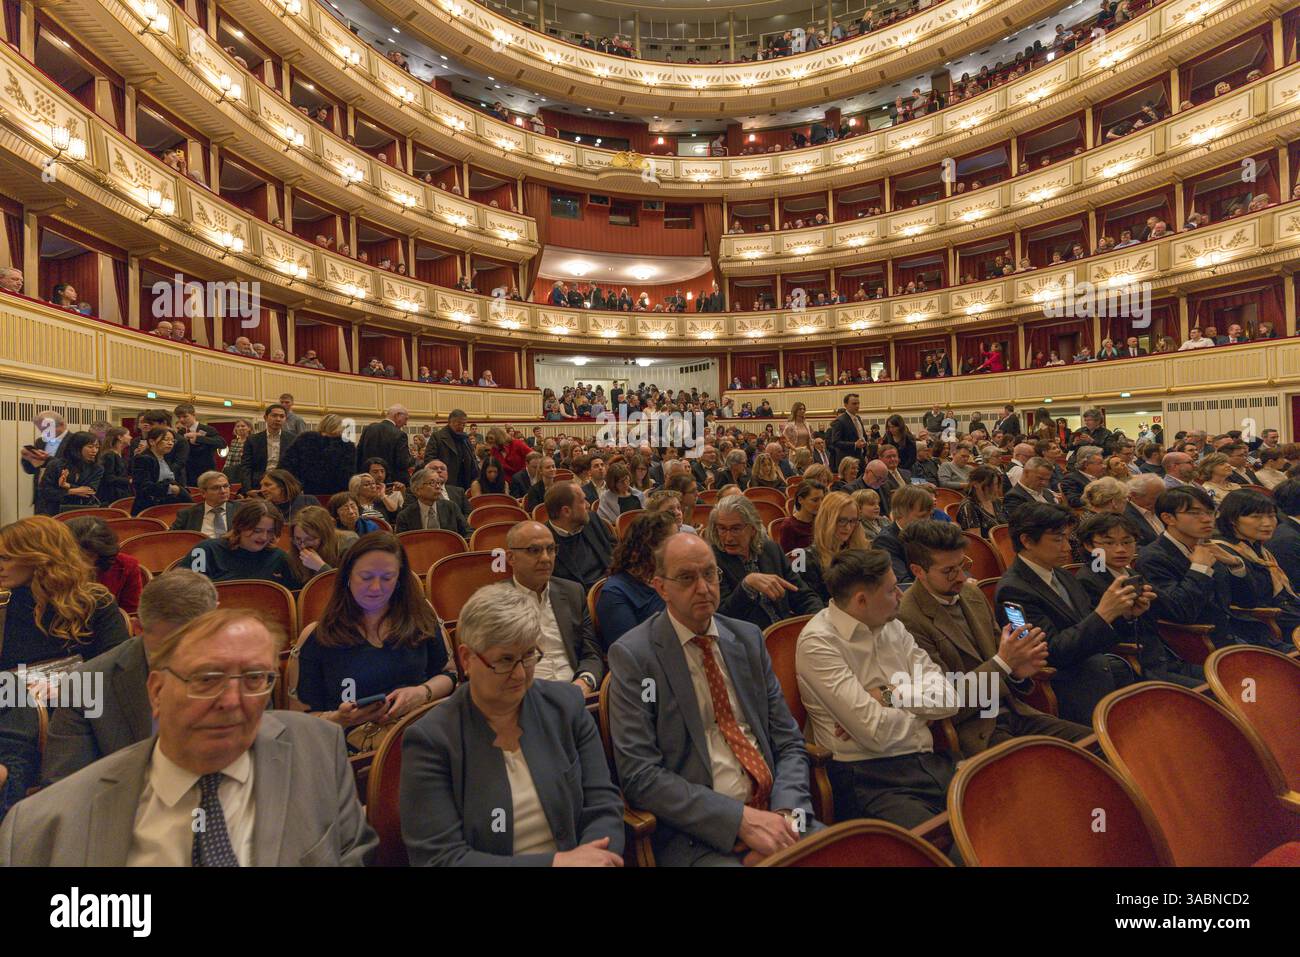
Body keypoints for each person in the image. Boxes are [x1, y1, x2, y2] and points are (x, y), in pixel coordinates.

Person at [0, 608, 378, 865]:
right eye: (206, 679)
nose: (233, 702)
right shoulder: (42, 827)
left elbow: (351, 854)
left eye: (254, 679)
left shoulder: (319, 750)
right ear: (157, 691)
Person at [607, 533, 817, 866]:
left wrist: (788, 810)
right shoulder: (636, 657)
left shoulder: (746, 638)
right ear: (661, 588)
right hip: (700, 834)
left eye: (710, 574)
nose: (704, 588)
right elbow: (640, 775)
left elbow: (788, 741)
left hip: (779, 814)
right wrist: (738, 820)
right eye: (687, 578)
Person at [399, 583, 624, 866]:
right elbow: (440, 858)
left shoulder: (565, 706)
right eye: (505, 660)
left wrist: (595, 857)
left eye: (529, 655)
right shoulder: (431, 740)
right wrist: (557, 863)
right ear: (467, 658)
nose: (520, 673)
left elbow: (603, 804)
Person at [796, 548, 960, 829]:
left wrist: (889, 695)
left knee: (997, 813)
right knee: (950, 847)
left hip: (927, 760)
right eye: (892, 590)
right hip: (869, 778)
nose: (900, 596)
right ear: (862, 600)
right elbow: (875, 733)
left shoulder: (892, 626)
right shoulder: (819, 643)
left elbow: (949, 699)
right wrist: (924, 714)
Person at [897, 521, 1090, 755]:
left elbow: (1005, 661)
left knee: (1098, 746)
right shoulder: (908, 618)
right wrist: (1004, 664)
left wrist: (1019, 673)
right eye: (949, 571)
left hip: (1015, 711)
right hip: (973, 727)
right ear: (918, 571)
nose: (961, 577)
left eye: (963, 565)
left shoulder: (971, 593)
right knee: (1048, 767)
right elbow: (945, 701)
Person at [40, 570, 218, 785]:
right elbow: (64, 786)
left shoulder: (248, 671)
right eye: (169, 647)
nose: (184, 659)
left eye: (197, 643)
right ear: (139, 629)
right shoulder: (87, 684)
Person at [993, 503, 1138, 724]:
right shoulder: (1013, 590)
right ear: (1027, 541)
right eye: (1058, 539)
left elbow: (1092, 628)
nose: (1067, 548)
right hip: (1068, 686)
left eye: (1067, 539)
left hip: (1103, 669)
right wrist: (1103, 613)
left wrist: (1125, 614)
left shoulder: (1063, 575)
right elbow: (1051, 652)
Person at [294, 533, 455, 732]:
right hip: (352, 752)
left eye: (387, 578)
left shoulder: (420, 615)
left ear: (399, 580)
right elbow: (300, 722)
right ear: (347, 577)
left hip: (423, 734)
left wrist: (423, 692)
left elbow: (449, 675)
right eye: (366, 577)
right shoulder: (318, 636)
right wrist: (340, 718)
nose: (376, 588)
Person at [1074, 513, 1205, 686]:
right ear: (1090, 546)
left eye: (1127, 542)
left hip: (1168, 658)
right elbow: (1100, 635)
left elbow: (1174, 610)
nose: (1120, 549)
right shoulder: (1088, 579)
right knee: (1219, 693)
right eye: (1109, 543)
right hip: (1138, 667)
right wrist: (1129, 616)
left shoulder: (1131, 573)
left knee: (1231, 676)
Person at [0, 516, 129, 669]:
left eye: (5, 558)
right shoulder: (6, 602)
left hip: (83, 690)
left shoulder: (95, 602)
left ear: (40, 558)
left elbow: (119, 667)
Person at [504, 522, 603, 692]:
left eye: (550, 549)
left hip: (577, 694)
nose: (545, 558)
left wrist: (584, 683)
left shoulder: (573, 592)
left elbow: (591, 654)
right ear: (511, 557)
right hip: (525, 699)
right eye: (534, 550)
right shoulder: (493, 603)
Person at [709, 495, 823, 630]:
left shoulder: (770, 550)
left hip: (784, 633)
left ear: (752, 529)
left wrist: (819, 620)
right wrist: (746, 586)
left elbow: (802, 595)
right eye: (722, 528)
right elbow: (721, 619)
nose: (728, 538)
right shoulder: (711, 561)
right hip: (748, 642)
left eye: (736, 529)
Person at [1209, 490, 1300, 644]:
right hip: (1264, 627)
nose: (1267, 523)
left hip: (1288, 613)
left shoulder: (1258, 548)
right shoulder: (1222, 552)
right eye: (1256, 517)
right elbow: (1245, 603)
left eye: (1271, 516)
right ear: (1232, 519)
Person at [595, 511, 675, 651]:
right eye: (673, 542)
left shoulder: (671, 577)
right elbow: (630, 652)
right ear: (650, 547)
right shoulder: (615, 593)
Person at [188, 499, 301, 588]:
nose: (264, 537)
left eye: (270, 532)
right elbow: (186, 591)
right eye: (257, 531)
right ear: (240, 526)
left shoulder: (279, 558)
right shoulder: (205, 550)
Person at [800, 491, 870, 602]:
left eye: (853, 521)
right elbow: (810, 603)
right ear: (827, 519)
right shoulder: (807, 558)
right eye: (842, 520)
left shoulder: (861, 551)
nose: (848, 527)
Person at [66, 516, 145, 614]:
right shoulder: (53, 566)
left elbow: (130, 613)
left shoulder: (126, 565)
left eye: (87, 556)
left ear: (100, 554)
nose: (78, 561)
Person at [545, 482, 614, 592]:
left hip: (612, 585)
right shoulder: (544, 541)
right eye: (583, 501)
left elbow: (615, 549)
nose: (588, 505)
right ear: (566, 511)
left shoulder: (592, 520)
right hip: (579, 600)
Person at [868, 485, 936, 585]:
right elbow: (903, 582)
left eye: (929, 515)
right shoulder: (885, 541)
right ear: (900, 513)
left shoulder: (929, 533)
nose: (928, 521)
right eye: (922, 516)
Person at [280, 413, 356, 496]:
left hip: (307, 490)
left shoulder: (305, 439)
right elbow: (349, 473)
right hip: (338, 492)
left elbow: (288, 464)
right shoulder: (347, 445)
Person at [36, 430, 103, 515]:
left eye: (97, 447)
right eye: (90, 447)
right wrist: (70, 491)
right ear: (77, 447)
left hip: (83, 511)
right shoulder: (56, 465)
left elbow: (90, 491)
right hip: (54, 511)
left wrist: (67, 485)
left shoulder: (97, 468)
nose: (94, 451)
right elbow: (45, 491)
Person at [130, 426, 192, 515]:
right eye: (166, 440)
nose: (170, 443)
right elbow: (143, 486)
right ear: (152, 442)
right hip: (149, 508)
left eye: (172, 441)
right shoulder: (144, 459)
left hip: (166, 506)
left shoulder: (165, 459)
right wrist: (171, 489)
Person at [394, 468, 470, 537]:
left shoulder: (451, 507)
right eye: (432, 483)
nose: (438, 487)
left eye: (439, 483)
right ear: (417, 490)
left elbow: (468, 532)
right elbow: (402, 544)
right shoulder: (405, 516)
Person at [285, 506, 348, 585]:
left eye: (309, 539)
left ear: (325, 537)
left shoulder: (347, 544)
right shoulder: (292, 555)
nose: (303, 546)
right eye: (298, 539)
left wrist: (320, 567)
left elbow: (349, 588)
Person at [242, 404, 295, 491]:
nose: (278, 419)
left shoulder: (292, 439)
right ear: (265, 418)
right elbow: (246, 467)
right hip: (259, 484)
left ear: (285, 419)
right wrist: (248, 489)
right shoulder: (253, 440)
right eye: (274, 415)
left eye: (282, 416)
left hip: (284, 485)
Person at [355, 405, 414, 484]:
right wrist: (413, 459)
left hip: (368, 479)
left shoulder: (369, 428)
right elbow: (402, 463)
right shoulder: (400, 434)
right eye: (406, 419)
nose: (406, 423)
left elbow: (359, 454)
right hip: (391, 482)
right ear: (397, 415)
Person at [424, 410, 478, 493]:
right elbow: (429, 459)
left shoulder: (465, 438)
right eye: (458, 423)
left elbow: (472, 458)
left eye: (463, 424)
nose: (461, 427)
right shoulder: (438, 437)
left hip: (465, 481)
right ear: (450, 422)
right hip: (446, 481)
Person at [171, 471, 238, 536]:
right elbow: (170, 539)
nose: (223, 491)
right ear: (203, 493)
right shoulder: (187, 514)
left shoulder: (242, 510)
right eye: (216, 488)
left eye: (226, 486)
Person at [956, 465, 1009, 536]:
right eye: (989, 485)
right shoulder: (968, 506)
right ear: (975, 484)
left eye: (995, 484)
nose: (994, 489)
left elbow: (1010, 525)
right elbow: (977, 542)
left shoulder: (996, 501)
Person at [779, 480, 825, 551]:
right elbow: (787, 558)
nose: (820, 504)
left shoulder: (821, 520)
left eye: (822, 499)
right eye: (815, 500)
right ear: (800, 500)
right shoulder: (789, 526)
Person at [828, 393, 869, 468]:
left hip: (860, 458)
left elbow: (862, 437)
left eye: (858, 403)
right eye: (854, 404)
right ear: (845, 405)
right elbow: (836, 442)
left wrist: (865, 451)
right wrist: (854, 444)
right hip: (847, 461)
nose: (857, 406)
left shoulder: (858, 418)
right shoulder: (839, 421)